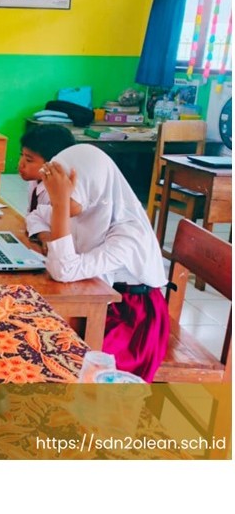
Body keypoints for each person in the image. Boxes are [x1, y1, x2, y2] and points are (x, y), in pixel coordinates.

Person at [39, 144, 170, 382]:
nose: (53, 199)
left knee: (60, 356)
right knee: (40, 332)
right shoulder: (92, 207)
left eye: (63, 192)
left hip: (133, 319)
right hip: (100, 298)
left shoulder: (129, 234)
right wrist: (51, 228)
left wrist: (61, 205)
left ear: (91, 186)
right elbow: (37, 215)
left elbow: (64, 270)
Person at [18, 124, 76, 246]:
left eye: (29, 160)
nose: (21, 164)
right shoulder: (35, 181)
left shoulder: (60, 192)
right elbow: (32, 216)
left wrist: (43, 233)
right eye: (21, 155)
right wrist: (43, 233)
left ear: (54, 163)